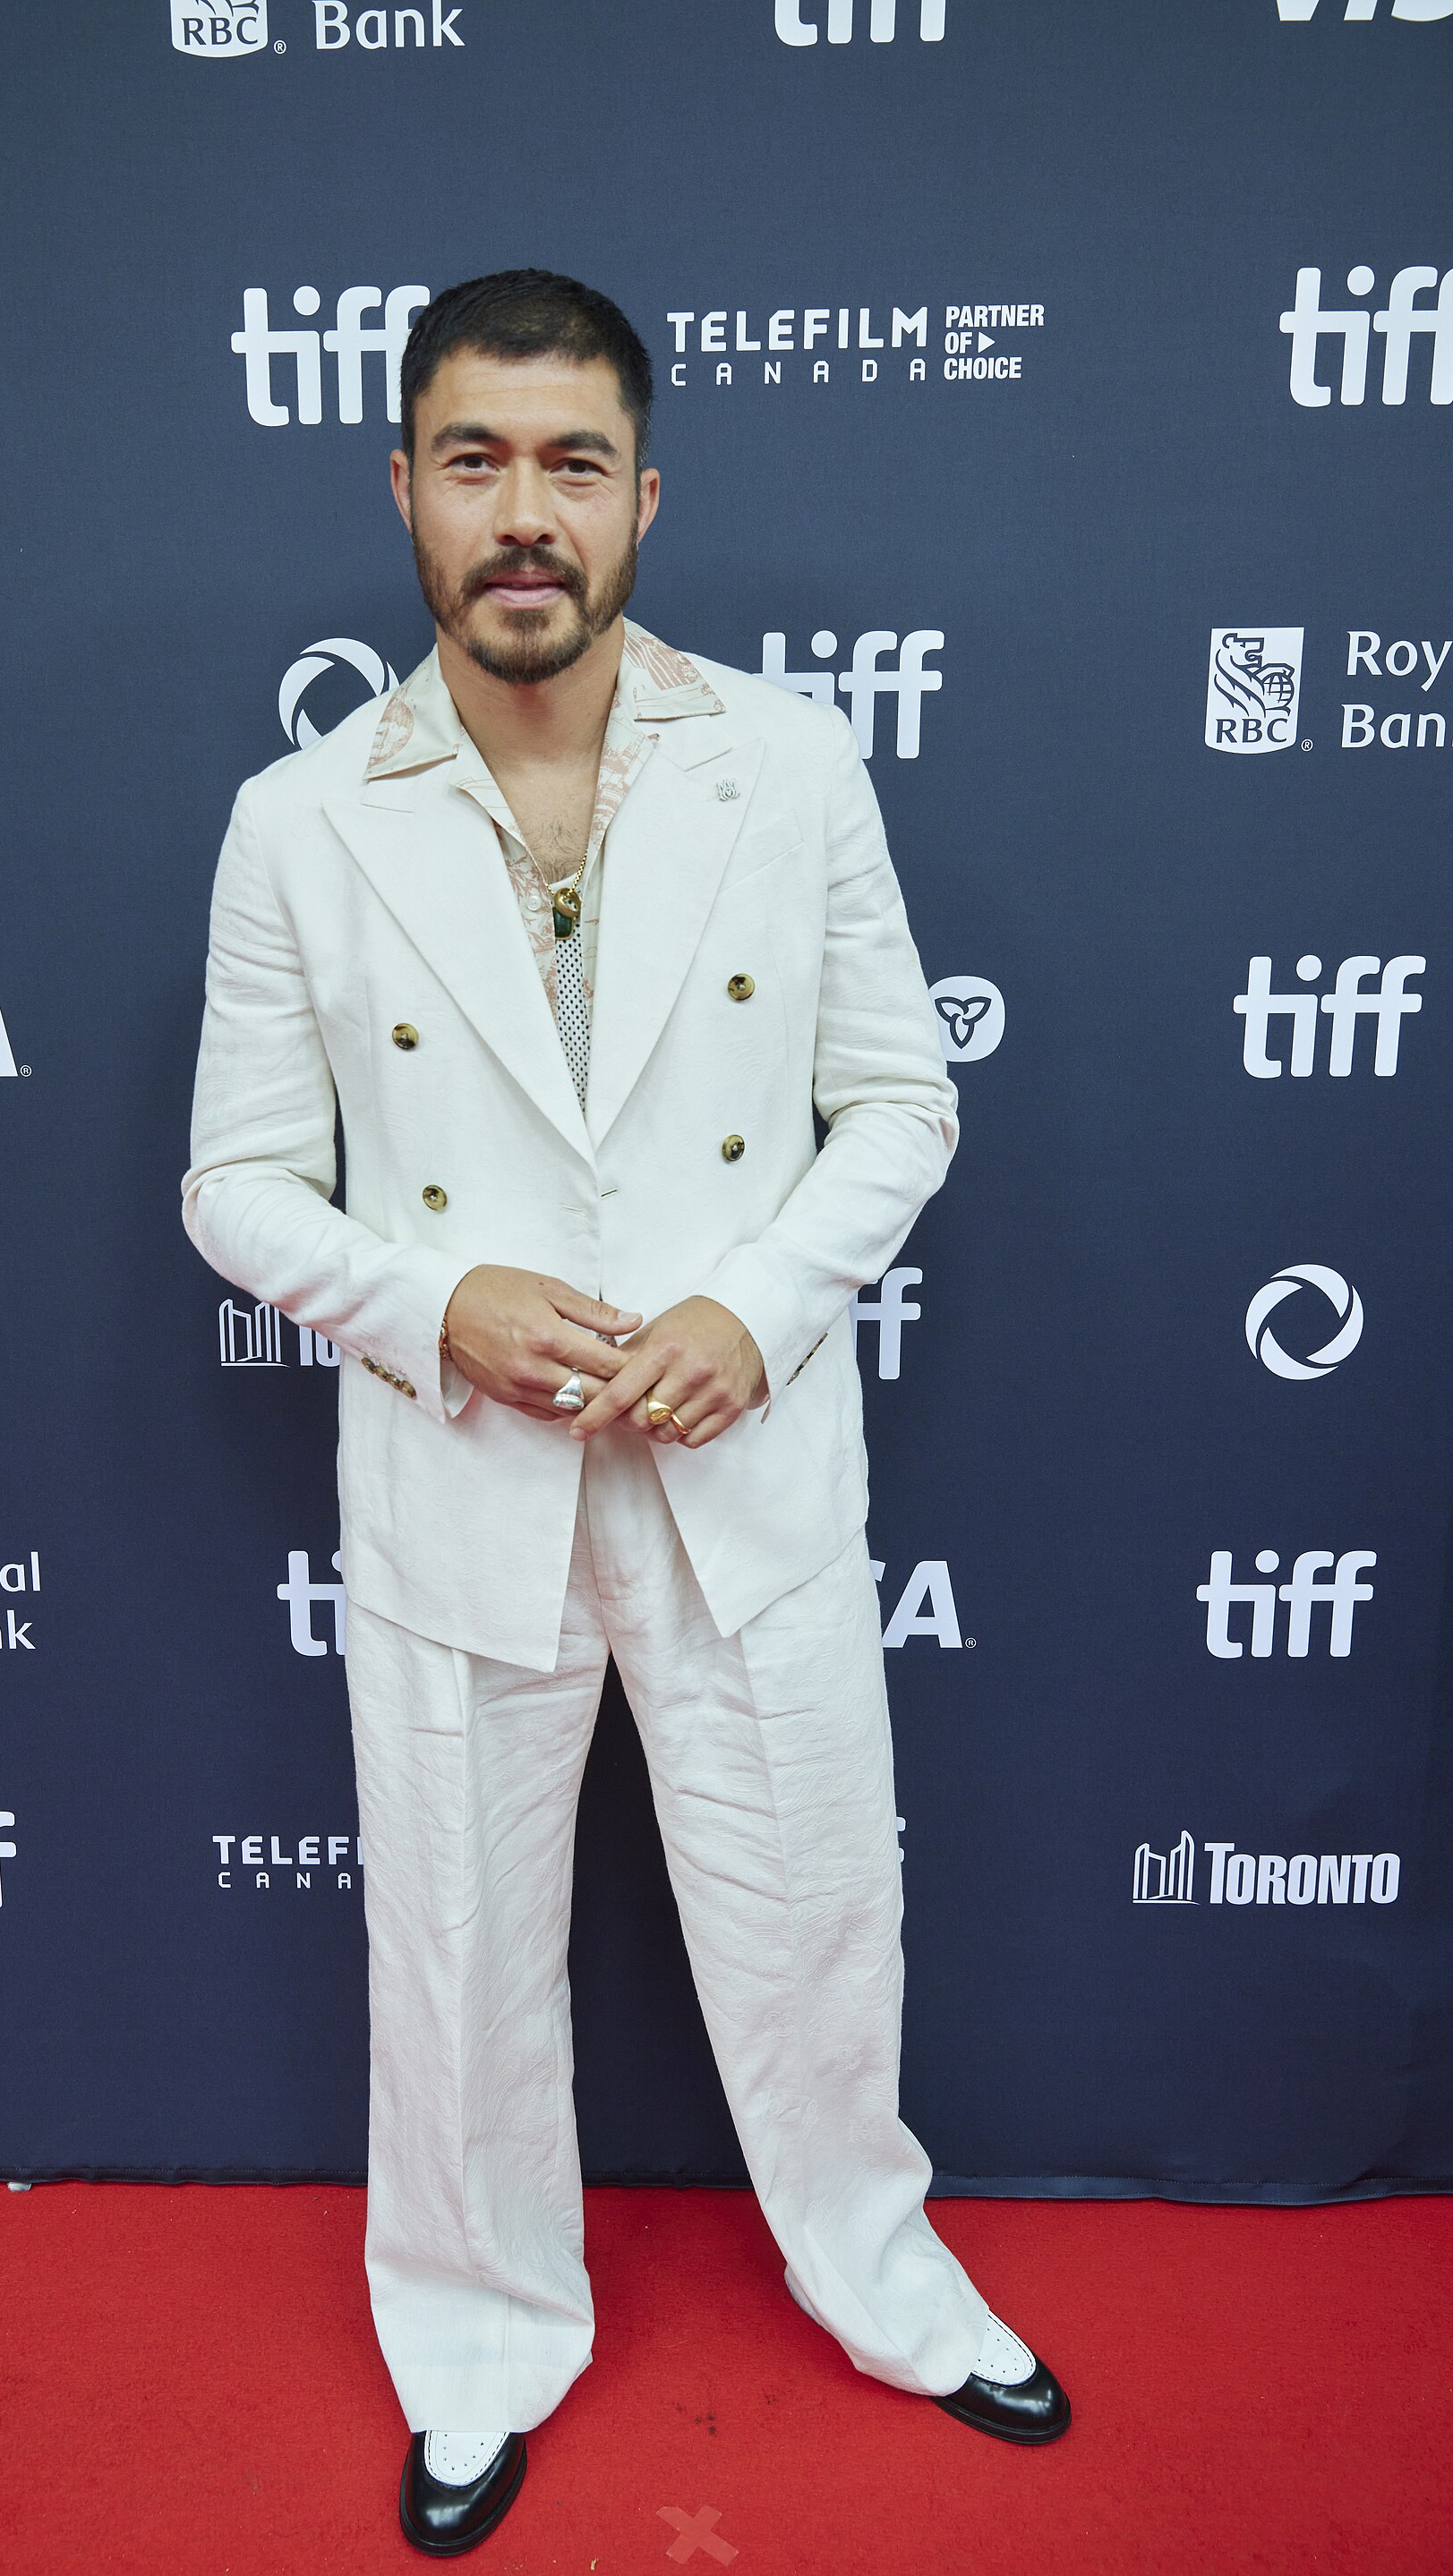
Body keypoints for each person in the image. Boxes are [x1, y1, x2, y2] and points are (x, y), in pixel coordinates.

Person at [183, 269, 1069, 2558]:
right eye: (475, 460)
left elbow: (901, 1098)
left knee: (815, 1913)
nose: (525, 513)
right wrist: (431, 1298)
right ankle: (476, 2340)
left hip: (735, 1463)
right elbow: (234, 1181)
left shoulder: (791, 761)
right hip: (461, 1472)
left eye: (572, 463)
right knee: (456, 1949)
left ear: (644, 498)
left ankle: (884, 2274)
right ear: (402, 487)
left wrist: (757, 1308)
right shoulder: (297, 820)